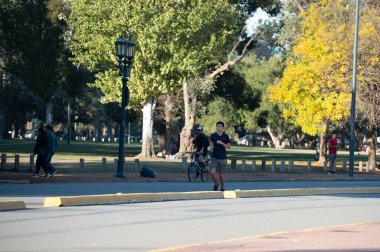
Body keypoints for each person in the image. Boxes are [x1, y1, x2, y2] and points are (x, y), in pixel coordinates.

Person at [209, 121, 231, 191]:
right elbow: (211, 143)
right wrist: (211, 147)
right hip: (214, 157)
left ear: (223, 128)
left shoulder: (225, 136)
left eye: (220, 126)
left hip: (223, 158)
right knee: (212, 172)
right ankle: (216, 184)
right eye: (217, 126)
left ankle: (222, 187)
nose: (218, 127)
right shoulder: (213, 135)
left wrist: (221, 143)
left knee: (221, 175)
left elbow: (229, 147)